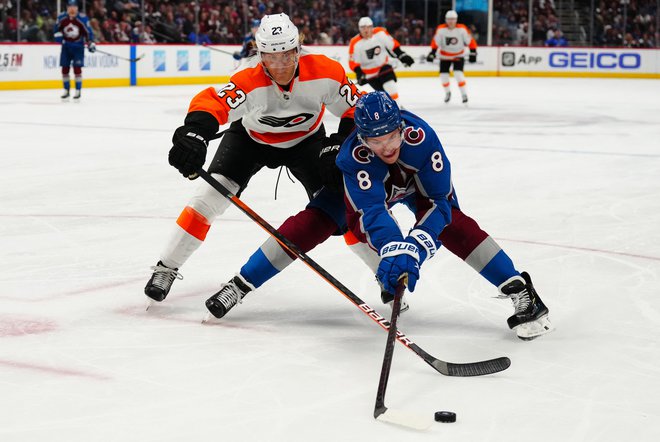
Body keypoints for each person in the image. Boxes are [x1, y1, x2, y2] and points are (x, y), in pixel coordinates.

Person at [203, 92, 553, 341]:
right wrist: (394, 248)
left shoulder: (423, 139)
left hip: (419, 187)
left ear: (401, 126)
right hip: (374, 190)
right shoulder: (353, 157)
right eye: (375, 140)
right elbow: (370, 213)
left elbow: (438, 204)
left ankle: (521, 291)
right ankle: (240, 284)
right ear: (362, 137)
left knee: (454, 225)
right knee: (312, 222)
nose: (386, 146)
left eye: (391, 136)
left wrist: (416, 245)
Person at [144, 13, 362, 306]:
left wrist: (339, 144)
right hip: (250, 141)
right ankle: (166, 267)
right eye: (272, 58)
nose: (281, 66)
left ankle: (383, 274)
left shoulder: (325, 72)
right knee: (206, 199)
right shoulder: (248, 78)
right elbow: (215, 103)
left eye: (287, 55)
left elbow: (355, 108)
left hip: (307, 142)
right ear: (260, 55)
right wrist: (195, 133)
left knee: (342, 207)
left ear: (298, 48)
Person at [348, 16, 414, 103]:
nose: (366, 30)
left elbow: (392, 45)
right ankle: (392, 108)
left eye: (368, 27)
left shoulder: (380, 33)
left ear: (372, 27)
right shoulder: (355, 42)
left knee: (390, 87)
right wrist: (359, 73)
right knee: (384, 96)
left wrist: (402, 55)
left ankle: (398, 108)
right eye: (363, 28)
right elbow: (352, 61)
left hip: (384, 67)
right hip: (369, 74)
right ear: (359, 29)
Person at [426, 10, 477, 104]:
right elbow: (436, 42)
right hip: (444, 56)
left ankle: (464, 94)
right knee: (443, 76)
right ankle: (447, 93)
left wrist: (473, 52)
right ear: (446, 20)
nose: (451, 21)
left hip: (458, 55)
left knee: (458, 74)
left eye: (453, 19)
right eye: (449, 19)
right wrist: (432, 52)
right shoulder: (441, 29)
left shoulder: (462, 29)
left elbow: (470, 40)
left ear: (456, 20)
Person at [54, 0, 95, 101]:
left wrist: (90, 42)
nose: (72, 9)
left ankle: (78, 91)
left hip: (78, 48)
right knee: (65, 69)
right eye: (70, 6)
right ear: (67, 8)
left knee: (77, 69)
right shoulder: (61, 18)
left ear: (77, 8)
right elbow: (56, 30)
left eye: (74, 6)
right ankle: (66, 90)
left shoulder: (82, 18)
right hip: (66, 48)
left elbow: (88, 32)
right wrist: (59, 38)